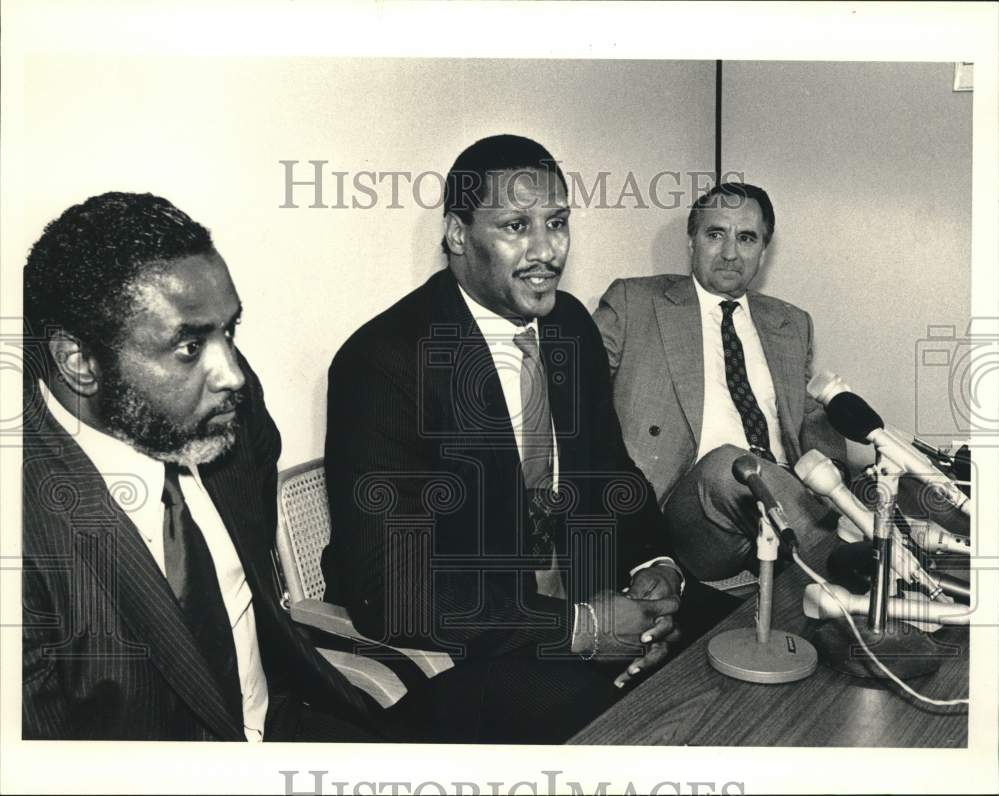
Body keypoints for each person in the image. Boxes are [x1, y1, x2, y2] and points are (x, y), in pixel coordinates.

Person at [322, 135, 720, 744]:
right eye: (516, 226)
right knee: (632, 727)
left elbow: (609, 472)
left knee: (731, 634)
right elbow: (391, 589)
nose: (546, 251)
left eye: (556, 223)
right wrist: (581, 628)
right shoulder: (383, 361)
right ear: (458, 234)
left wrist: (654, 565)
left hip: (578, 595)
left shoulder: (568, 327)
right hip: (466, 639)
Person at [21, 192, 383, 741]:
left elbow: (257, 562)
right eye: (190, 345)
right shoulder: (23, 523)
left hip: (286, 725)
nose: (232, 373)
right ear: (80, 363)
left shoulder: (227, 410)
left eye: (229, 331)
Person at [593, 182, 847, 582]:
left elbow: (813, 419)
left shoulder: (791, 322)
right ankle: (847, 565)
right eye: (716, 234)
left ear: (764, 250)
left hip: (779, 502)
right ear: (692, 241)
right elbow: (574, 401)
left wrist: (833, 475)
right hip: (687, 508)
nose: (730, 253)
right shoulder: (635, 302)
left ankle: (862, 560)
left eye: (746, 238)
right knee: (731, 466)